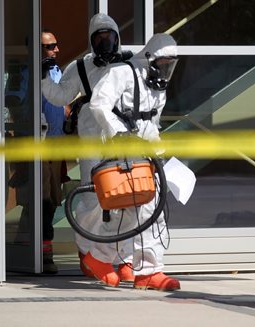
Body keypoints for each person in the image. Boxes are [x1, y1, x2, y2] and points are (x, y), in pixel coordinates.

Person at [41, 13, 135, 282]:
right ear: (92, 41)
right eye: (99, 38)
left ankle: (126, 259)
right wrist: (45, 75)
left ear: (117, 37)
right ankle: (88, 254)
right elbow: (60, 96)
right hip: (93, 140)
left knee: (128, 198)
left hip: (123, 138)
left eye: (109, 37)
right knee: (92, 199)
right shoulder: (80, 67)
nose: (105, 42)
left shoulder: (129, 65)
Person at [85, 33, 180, 291]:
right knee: (142, 207)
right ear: (150, 58)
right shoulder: (122, 73)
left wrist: (159, 151)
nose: (165, 70)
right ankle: (146, 270)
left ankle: (102, 258)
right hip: (122, 149)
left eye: (169, 65)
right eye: (162, 64)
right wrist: (120, 134)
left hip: (145, 153)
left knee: (133, 209)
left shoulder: (157, 87)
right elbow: (99, 105)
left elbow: (150, 122)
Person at [40, 29, 70, 274]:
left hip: (57, 144)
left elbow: (61, 102)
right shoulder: (29, 73)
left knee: (53, 200)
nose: (56, 50)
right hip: (39, 146)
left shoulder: (56, 71)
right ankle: (41, 253)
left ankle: (44, 248)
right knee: (42, 201)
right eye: (50, 46)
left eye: (55, 45)